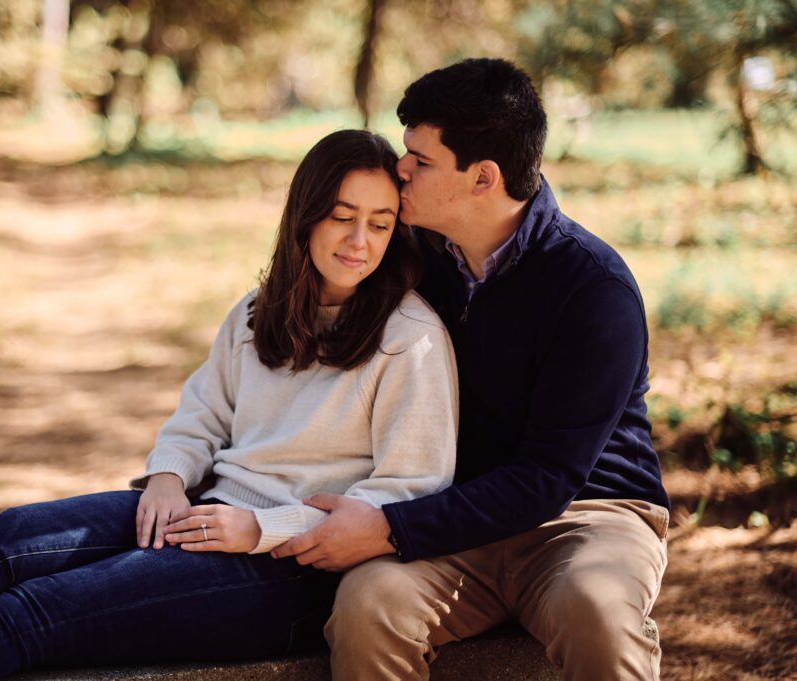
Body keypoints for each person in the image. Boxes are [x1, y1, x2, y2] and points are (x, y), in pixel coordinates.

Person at [0, 129, 459, 681]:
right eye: (342, 217)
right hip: (203, 511)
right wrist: (167, 475)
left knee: (39, 611)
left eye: (379, 222)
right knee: (8, 541)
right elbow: (203, 412)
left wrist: (263, 527)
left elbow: (405, 494)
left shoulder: (410, 341)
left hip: (289, 576)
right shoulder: (260, 310)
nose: (359, 241)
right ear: (305, 215)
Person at [271, 59, 671, 681]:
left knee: (598, 610)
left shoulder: (593, 289)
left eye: (421, 161)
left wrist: (389, 527)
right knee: (369, 604)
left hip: (587, 515)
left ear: (483, 177)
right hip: (451, 513)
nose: (400, 169)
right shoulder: (416, 257)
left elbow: (547, 479)